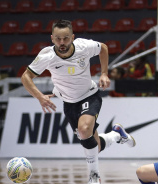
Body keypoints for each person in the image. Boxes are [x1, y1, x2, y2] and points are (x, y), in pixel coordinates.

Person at [20, 19, 136, 184]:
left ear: (72, 37)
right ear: (52, 38)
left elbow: (103, 48)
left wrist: (104, 73)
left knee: (83, 130)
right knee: (93, 144)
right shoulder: (47, 55)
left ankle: (94, 175)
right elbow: (26, 76)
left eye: (66, 38)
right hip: (69, 103)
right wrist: (39, 96)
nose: (62, 42)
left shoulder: (83, 46)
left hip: (89, 95)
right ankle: (116, 135)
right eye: (58, 39)